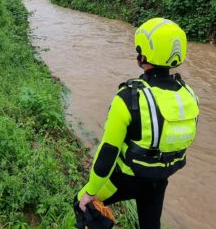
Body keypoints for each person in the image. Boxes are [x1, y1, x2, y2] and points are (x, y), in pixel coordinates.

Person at [74, 18, 200, 229]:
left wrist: (90, 192)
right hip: (159, 179)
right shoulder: (189, 95)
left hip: (125, 180)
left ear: (143, 55)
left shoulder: (128, 97)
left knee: (81, 204)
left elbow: (107, 153)